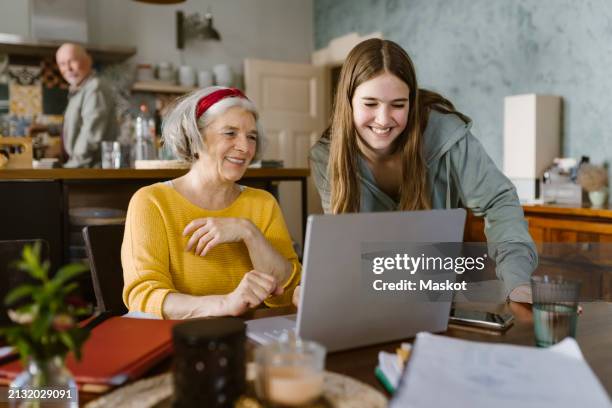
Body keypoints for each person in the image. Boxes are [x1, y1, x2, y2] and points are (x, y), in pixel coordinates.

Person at [307, 39, 537, 303]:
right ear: (348, 102)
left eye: (398, 104)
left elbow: (499, 202)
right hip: (367, 301)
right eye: (370, 104)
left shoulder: (447, 136)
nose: (383, 119)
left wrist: (517, 281)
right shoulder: (325, 157)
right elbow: (344, 246)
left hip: (437, 299)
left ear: (411, 102)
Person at [122, 87, 300, 319]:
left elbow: (287, 294)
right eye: (230, 133)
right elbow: (143, 298)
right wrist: (224, 303)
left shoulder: (263, 203)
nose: (245, 148)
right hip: (178, 340)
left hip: (249, 337)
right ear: (195, 136)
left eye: (251, 137)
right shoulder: (151, 202)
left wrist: (248, 232)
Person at [55, 43, 118, 167]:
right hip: (83, 168)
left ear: (88, 60)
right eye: (62, 64)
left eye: (72, 61)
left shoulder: (95, 88)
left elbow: (91, 133)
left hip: (92, 171)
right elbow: (75, 124)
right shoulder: (79, 90)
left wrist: (72, 165)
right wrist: (48, 128)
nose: (68, 68)